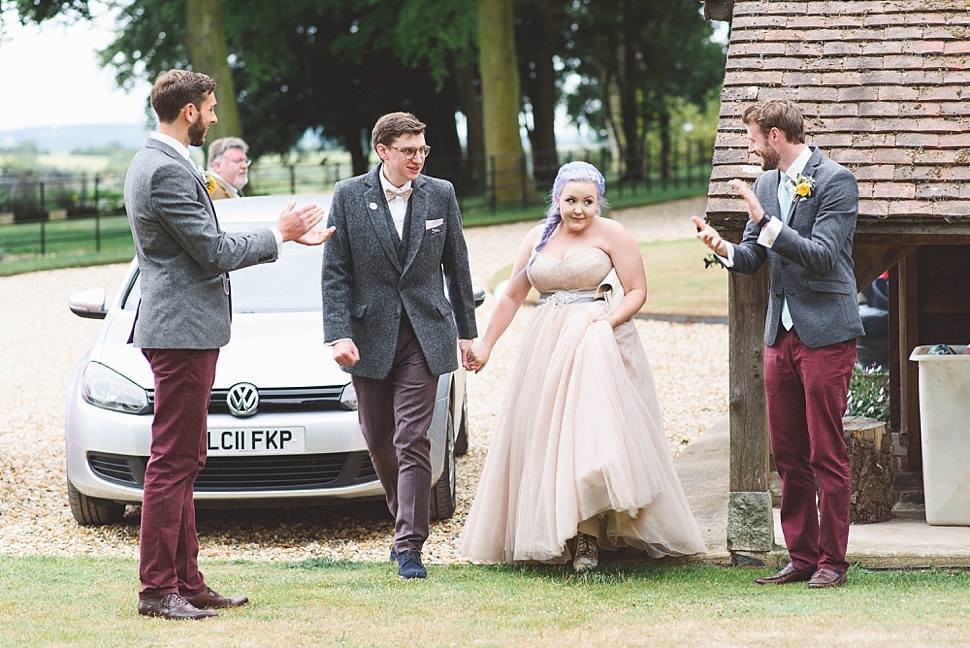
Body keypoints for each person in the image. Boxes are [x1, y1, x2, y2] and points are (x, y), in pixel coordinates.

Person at [125, 69, 332, 620]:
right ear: (189, 111)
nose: (215, 117)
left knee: (186, 458)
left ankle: (187, 582)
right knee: (172, 461)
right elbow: (211, 251)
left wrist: (280, 234)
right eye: (210, 107)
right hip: (181, 333)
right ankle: (156, 590)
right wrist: (279, 234)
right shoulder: (164, 170)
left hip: (184, 330)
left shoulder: (160, 162)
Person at [460, 161, 706, 572]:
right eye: (571, 200)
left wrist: (607, 322)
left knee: (589, 435)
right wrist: (486, 343)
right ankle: (558, 529)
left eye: (588, 201)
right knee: (548, 437)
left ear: (598, 201)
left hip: (595, 341)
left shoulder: (612, 233)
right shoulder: (536, 238)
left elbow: (637, 290)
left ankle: (590, 538)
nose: (579, 210)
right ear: (556, 198)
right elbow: (512, 296)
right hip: (545, 344)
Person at [692, 98, 864, 589]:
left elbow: (823, 257)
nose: (749, 150)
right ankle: (802, 557)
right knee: (787, 453)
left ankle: (833, 562)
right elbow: (751, 257)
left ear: (775, 137)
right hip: (779, 335)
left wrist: (765, 222)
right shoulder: (767, 184)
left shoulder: (836, 181)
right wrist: (722, 248)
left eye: (752, 140)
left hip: (826, 333)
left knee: (825, 452)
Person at [321, 111, 478, 579]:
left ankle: (409, 543)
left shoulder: (441, 193)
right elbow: (336, 271)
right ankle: (402, 514)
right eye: (408, 150)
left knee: (413, 438)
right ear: (383, 151)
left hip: (426, 333)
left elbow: (458, 266)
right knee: (379, 439)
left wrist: (467, 332)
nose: (418, 158)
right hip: (368, 336)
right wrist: (338, 332)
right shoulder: (349, 196)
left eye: (422, 149)